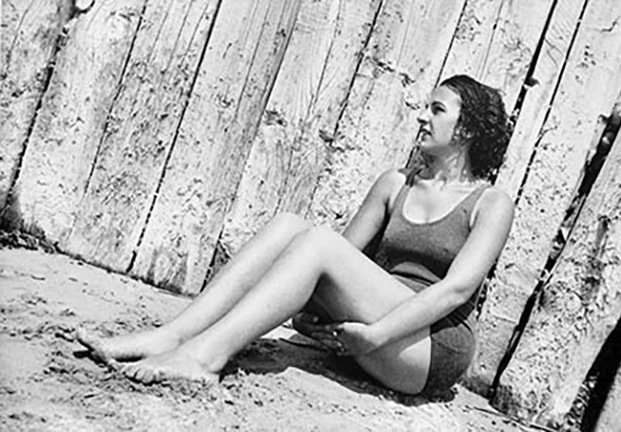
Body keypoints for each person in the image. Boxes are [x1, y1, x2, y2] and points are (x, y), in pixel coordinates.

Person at [77, 75, 514, 396]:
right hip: (376, 324)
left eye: (436, 110)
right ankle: (173, 335)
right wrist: (308, 315)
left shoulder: (490, 203)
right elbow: (331, 263)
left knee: (320, 241)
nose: (421, 116)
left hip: (430, 346)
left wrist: (377, 335)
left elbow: (456, 291)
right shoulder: (395, 183)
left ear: (467, 129)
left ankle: (202, 358)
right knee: (291, 226)